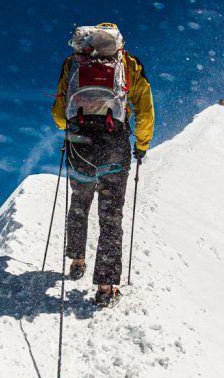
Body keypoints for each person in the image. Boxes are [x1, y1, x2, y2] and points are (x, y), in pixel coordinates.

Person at [51, 22, 154, 307]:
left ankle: (77, 259)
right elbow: (145, 108)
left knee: (80, 200)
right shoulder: (128, 63)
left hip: (79, 142)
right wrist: (141, 145)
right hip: (114, 143)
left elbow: (60, 112)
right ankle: (106, 287)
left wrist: (71, 128)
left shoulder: (74, 62)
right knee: (110, 213)